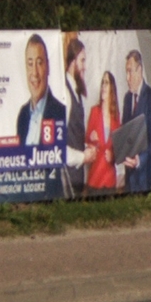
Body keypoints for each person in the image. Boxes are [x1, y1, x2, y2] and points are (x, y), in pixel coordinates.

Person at [14, 34, 66, 149]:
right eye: (30, 64)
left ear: (48, 67)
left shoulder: (61, 113)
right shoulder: (22, 115)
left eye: (39, 63)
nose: (35, 72)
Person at [119, 48, 151, 190]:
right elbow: (125, 132)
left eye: (130, 71)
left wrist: (140, 160)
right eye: (126, 72)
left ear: (139, 70)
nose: (127, 78)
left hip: (144, 176)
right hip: (129, 176)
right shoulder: (127, 98)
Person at [61, 35, 91, 194]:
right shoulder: (65, 93)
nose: (85, 66)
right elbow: (59, 146)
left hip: (77, 175)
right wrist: (83, 157)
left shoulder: (76, 92)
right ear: (73, 62)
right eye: (82, 61)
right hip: (68, 177)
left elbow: (74, 135)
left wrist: (87, 148)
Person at [85, 71, 120, 192]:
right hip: (95, 177)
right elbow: (86, 141)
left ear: (112, 88)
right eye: (102, 83)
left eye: (107, 83)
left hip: (110, 179)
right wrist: (90, 137)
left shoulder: (116, 117)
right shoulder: (94, 111)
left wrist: (113, 156)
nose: (103, 86)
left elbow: (119, 149)